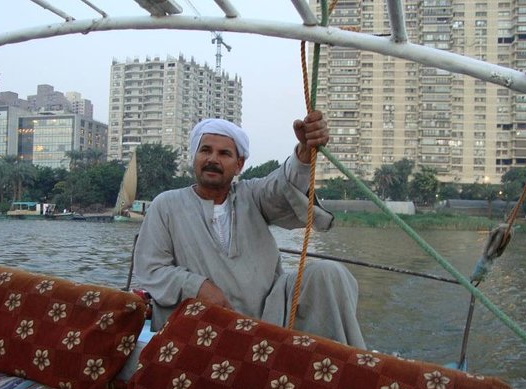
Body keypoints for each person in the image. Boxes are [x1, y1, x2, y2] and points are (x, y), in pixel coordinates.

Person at [133, 111, 365, 348]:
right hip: (201, 323)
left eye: (224, 154)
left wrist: (304, 154)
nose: (212, 159)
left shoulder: (252, 195)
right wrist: (197, 286)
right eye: (205, 151)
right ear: (195, 157)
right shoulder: (166, 204)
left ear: (239, 165)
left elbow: (281, 186)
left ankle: (348, 367)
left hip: (270, 318)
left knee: (329, 273)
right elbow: (150, 269)